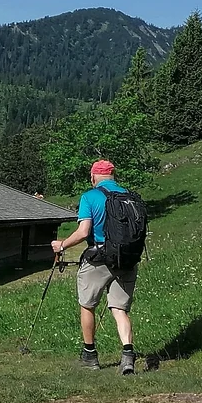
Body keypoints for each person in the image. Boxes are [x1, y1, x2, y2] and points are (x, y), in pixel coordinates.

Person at [51, 160, 138, 374]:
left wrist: (61, 245)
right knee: (119, 309)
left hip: (99, 258)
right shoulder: (130, 197)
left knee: (87, 304)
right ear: (113, 175)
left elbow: (83, 232)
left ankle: (90, 355)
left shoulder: (90, 197)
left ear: (93, 177)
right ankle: (127, 355)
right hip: (127, 259)